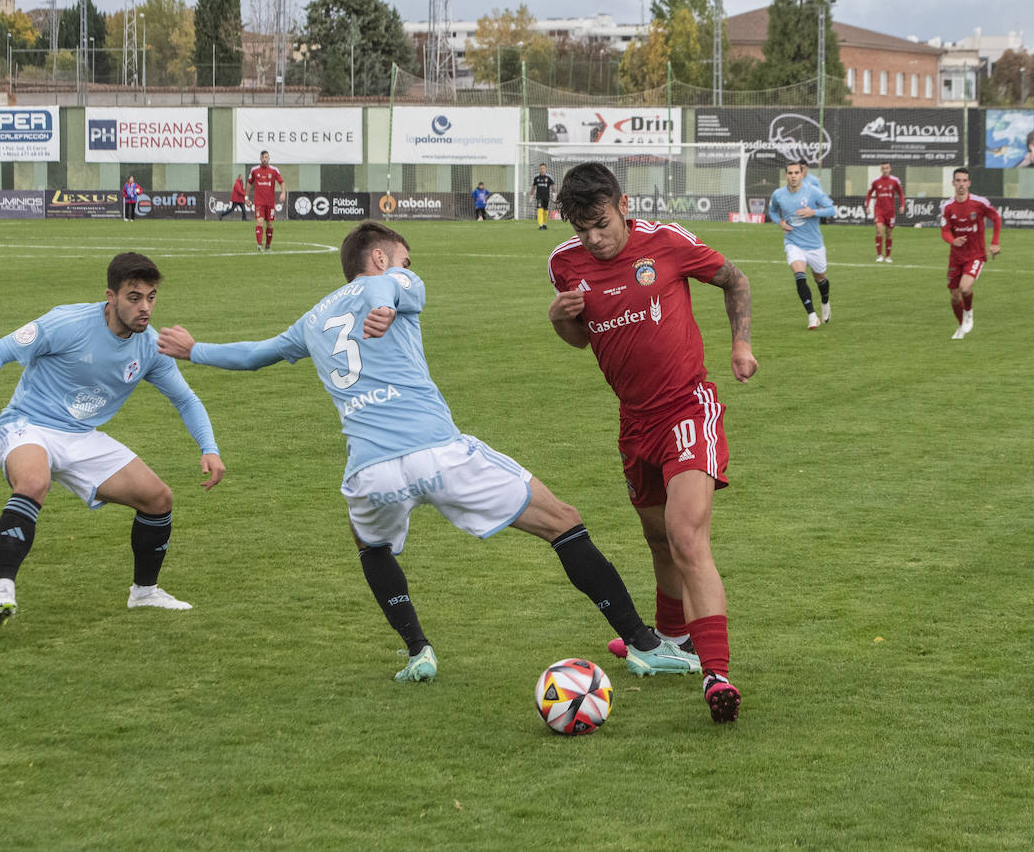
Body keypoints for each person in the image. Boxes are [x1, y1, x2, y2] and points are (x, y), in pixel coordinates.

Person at [156, 221, 695, 683]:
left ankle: (418, 653)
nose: (408, 268)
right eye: (403, 259)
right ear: (381, 256)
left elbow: (256, 354)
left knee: (371, 545)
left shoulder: (315, 318)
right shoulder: (396, 279)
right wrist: (387, 303)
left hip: (370, 472)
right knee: (563, 522)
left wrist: (192, 349)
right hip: (438, 454)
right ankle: (646, 645)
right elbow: (385, 288)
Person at [547, 162, 757, 724]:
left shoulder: (665, 243)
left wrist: (741, 346)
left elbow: (735, 279)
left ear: (623, 204)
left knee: (686, 536)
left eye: (601, 223)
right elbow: (577, 338)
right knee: (658, 539)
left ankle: (716, 674)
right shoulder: (564, 265)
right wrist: (559, 319)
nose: (592, 238)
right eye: (581, 227)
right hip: (633, 423)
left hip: (689, 408)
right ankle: (672, 640)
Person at [0, 252, 226, 623]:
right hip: (28, 424)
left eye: (151, 297)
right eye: (134, 298)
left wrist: (209, 448)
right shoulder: (67, 322)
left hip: (82, 437)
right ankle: (2, 589)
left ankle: (145, 593)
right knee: (35, 481)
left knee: (158, 499)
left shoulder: (150, 346)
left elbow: (185, 398)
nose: (144, 307)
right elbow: (0, 350)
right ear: (110, 296)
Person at [768, 161, 837, 330]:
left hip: (814, 244)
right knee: (799, 275)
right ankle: (812, 316)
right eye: (790, 173)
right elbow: (772, 211)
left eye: (796, 173)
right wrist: (780, 222)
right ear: (786, 175)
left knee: (820, 278)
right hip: (793, 242)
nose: (793, 176)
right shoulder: (778, 194)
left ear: (801, 174)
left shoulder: (813, 192)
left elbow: (831, 209)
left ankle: (825, 301)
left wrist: (813, 212)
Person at [941, 167, 1002, 340]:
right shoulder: (947, 207)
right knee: (954, 297)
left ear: (969, 183)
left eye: (964, 180)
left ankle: (969, 312)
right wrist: (953, 240)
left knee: (965, 288)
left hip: (975, 255)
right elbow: (944, 231)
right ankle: (961, 327)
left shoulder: (979, 202)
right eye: (958, 180)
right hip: (956, 257)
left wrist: (995, 243)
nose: (961, 184)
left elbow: (996, 218)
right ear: (953, 183)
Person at [865, 162, 905, 263]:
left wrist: (903, 205)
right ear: (880, 169)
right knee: (879, 229)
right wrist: (867, 206)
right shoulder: (876, 181)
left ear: (890, 169)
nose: (885, 170)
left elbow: (900, 194)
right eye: (883, 168)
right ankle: (879, 255)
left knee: (889, 233)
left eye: (887, 168)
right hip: (879, 209)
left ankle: (888, 256)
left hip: (890, 211)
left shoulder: (895, 181)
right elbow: (869, 194)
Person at [248, 151, 285, 251]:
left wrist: (283, 193)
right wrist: (246, 197)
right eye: (263, 157)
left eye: (266, 157)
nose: (264, 159)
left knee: (269, 223)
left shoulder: (274, 170)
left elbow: (281, 182)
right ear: (260, 159)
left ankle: (268, 245)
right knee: (259, 221)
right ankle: (259, 245)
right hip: (259, 201)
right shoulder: (255, 170)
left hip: (270, 202)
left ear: (269, 158)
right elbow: (249, 183)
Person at [530, 164, 555, 230]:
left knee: (545, 211)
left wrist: (554, 195)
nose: (542, 170)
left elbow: (553, 187)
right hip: (539, 197)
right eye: (541, 168)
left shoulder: (549, 177)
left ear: (545, 169)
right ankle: (540, 225)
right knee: (539, 209)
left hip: (546, 197)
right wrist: (531, 195)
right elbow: (533, 187)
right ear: (539, 169)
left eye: (543, 168)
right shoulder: (536, 178)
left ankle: (544, 224)